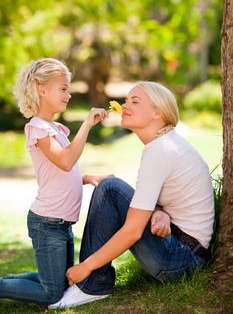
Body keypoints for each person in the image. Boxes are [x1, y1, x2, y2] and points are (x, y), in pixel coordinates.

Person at [49, 81, 215, 309]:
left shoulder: (160, 150)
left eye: (135, 102)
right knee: (111, 187)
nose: (125, 106)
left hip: (182, 258)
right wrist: (161, 213)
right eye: (126, 100)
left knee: (110, 189)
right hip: (183, 249)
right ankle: (93, 282)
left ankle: (91, 285)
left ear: (158, 113)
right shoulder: (165, 144)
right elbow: (160, 201)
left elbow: (133, 231)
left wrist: (86, 266)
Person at [0, 58, 109, 306]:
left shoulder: (55, 128)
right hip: (47, 223)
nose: (69, 95)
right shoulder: (37, 128)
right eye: (63, 88)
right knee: (52, 294)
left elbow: (62, 173)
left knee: (59, 282)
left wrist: (87, 178)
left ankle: (9, 281)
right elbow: (66, 161)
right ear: (41, 88)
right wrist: (87, 124)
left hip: (61, 224)